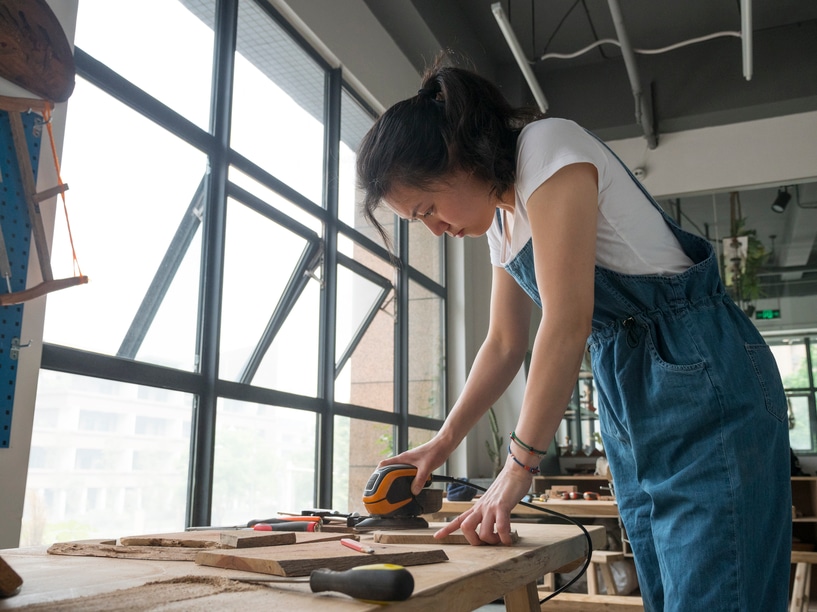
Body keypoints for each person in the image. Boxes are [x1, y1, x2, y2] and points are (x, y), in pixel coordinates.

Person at [356, 55, 791, 612]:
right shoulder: (502, 218)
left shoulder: (546, 147)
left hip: (699, 369)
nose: (436, 229)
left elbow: (565, 322)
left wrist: (518, 470)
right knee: (668, 592)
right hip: (629, 395)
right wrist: (441, 444)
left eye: (428, 209)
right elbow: (504, 344)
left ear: (457, 158)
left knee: (719, 594)